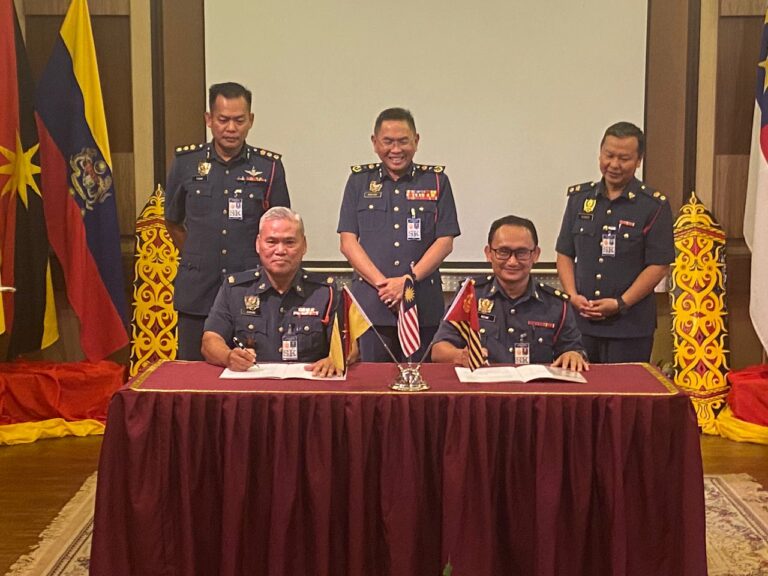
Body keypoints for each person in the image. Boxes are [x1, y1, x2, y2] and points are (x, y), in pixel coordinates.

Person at [165, 82, 290, 360]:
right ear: (209, 119)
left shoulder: (269, 167)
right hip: (198, 290)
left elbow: (281, 229)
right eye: (223, 120)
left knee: (251, 371)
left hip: (250, 289)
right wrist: (197, 254)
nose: (231, 128)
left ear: (251, 120)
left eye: (239, 120)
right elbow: (172, 221)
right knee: (193, 374)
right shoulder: (186, 162)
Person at [337, 107, 460, 362]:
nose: (396, 149)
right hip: (372, 306)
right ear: (375, 143)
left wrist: (407, 282)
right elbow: (348, 242)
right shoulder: (358, 182)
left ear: (416, 140)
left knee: (422, 381)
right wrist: (385, 286)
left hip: (421, 304)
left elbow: (445, 241)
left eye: (403, 141)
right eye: (388, 142)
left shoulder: (437, 182)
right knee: (372, 382)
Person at [555, 121, 674, 363]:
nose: (614, 164)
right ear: (600, 154)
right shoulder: (579, 199)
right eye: (609, 155)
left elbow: (659, 265)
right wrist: (572, 295)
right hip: (581, 323)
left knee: (625, 387)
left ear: (638, 161)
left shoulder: (653, 205)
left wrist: (620, 303)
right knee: (579, 386)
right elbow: (564, 253)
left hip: (630, 326)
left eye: (624, 158)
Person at [432, 215, 588, 371]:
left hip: (535, 386)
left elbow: (574, 349)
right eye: (503, 251)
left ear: (535, 254)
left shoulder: (556, 304)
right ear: (488, 253)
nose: (512, 261)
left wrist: (573, 355)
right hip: (484, 384)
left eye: (522, 252)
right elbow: (438, 350)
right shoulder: (469, 295)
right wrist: (459, 356)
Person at [201, 207, 341, 377]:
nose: (280, 250)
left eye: (289, 242)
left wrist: (336, 359)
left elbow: (351, 346)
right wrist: (228, 357)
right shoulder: (236, 290)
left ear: (304, 245)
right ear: (258, 244)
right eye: (271, 242)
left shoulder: (325, 291)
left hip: (307, 386)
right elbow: (210, 340)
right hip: (252, 387)